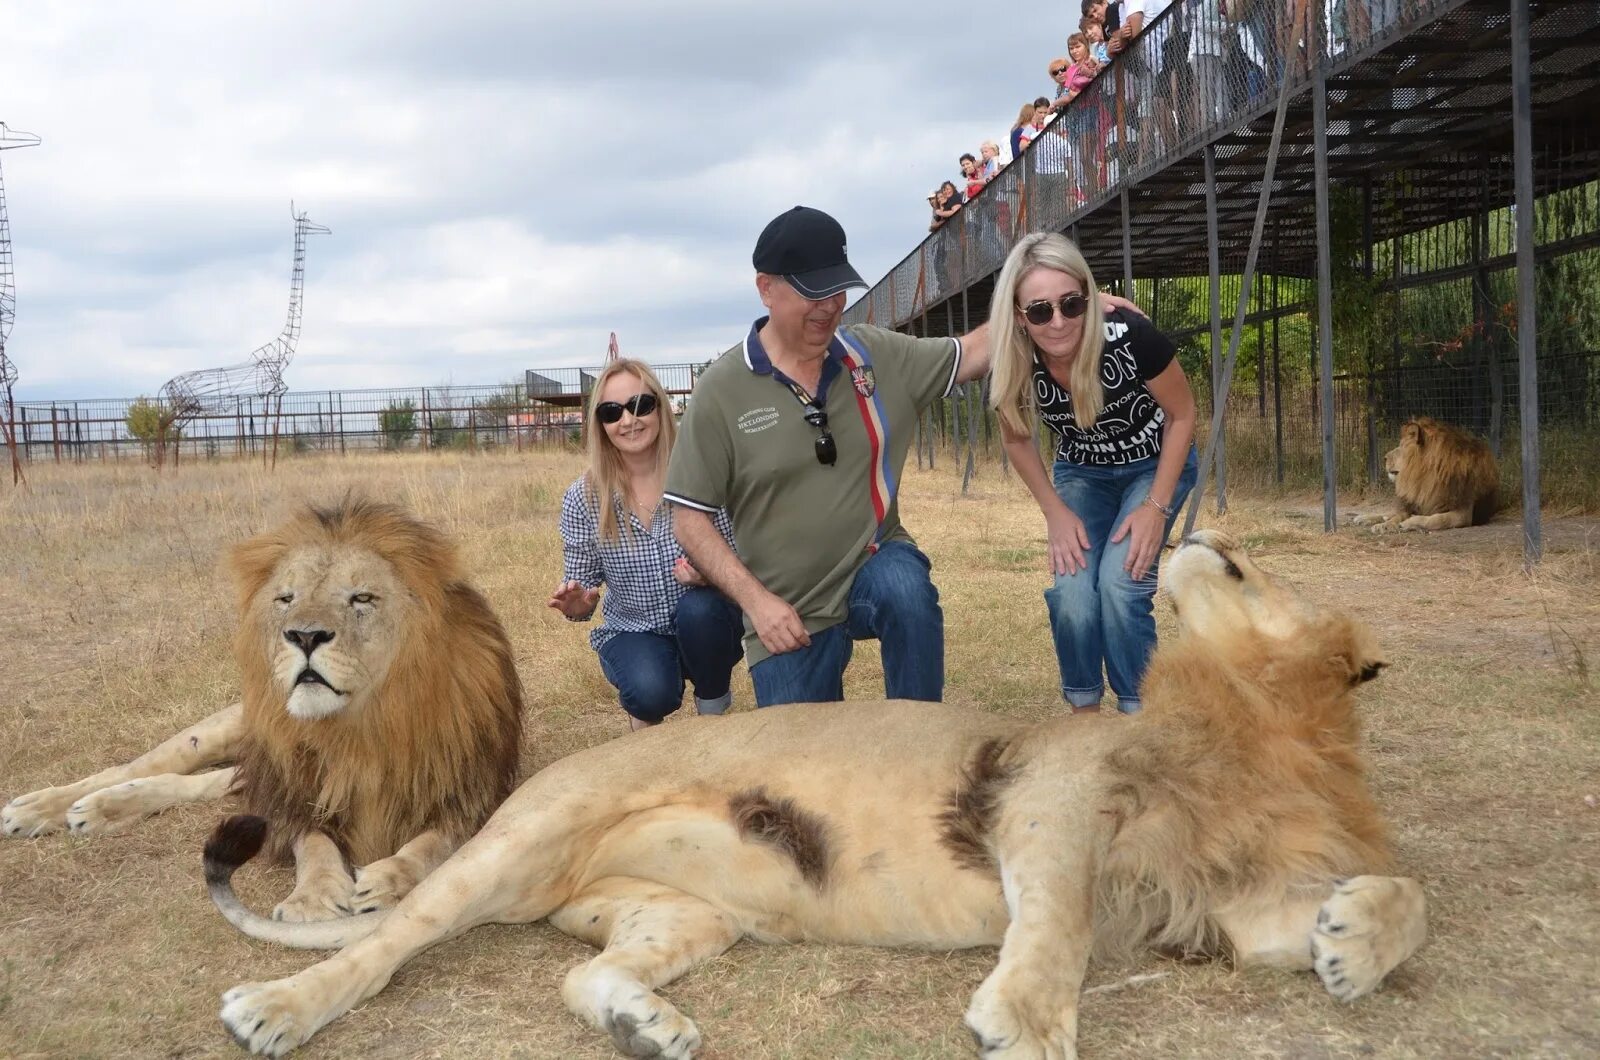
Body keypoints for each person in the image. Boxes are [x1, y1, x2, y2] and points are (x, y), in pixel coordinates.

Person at [665, 205, 994, 709]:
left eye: (837, 289)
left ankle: (918, 741)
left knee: (908, 591)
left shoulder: (873, 356)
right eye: (810, 291)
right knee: (796, 775)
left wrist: (1070, 299)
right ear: (765, 288)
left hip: (874, 560)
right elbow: (690, 518)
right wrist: (758, 603)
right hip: (785, 606)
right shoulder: (720, 391)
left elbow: (973, 351)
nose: (829, 305)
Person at [988, 233, 1197, 716]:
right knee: (1074, 591)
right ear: (1020, 317)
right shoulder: (1014, 358)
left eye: (1071, 304)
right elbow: (1017, 439)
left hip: (1155, 464)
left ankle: (1138, 715)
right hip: (1083, 472)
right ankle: (1084, 713)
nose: (1058, 322)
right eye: (1040, 311)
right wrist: (1055, 513)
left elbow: (1182, 416)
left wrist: (1155, 508)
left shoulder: (1130, 336)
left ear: (1087, 296)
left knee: (1123, 583)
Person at [551, 359, 744, 731]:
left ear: (660, 406)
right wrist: (576, 604)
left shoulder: (701, 474)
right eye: (612, 412)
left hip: (706, 623)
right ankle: (645, 738)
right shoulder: (582, 498)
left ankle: (713, 717)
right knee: (650, 690)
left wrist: (710, 576)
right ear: (600, 425)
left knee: (700, 610)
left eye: (640, 405)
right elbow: (581, 588)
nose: (628, 420)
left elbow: (738, 556)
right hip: (634, 629)